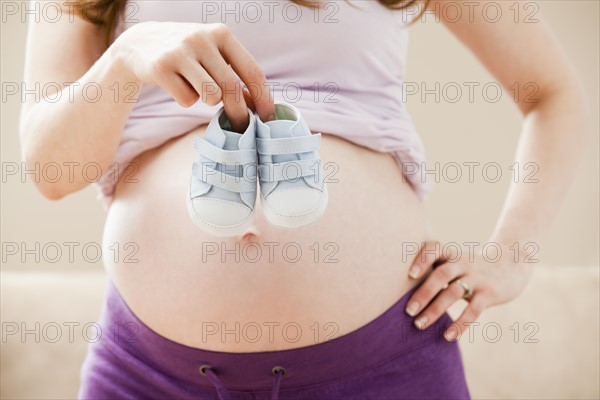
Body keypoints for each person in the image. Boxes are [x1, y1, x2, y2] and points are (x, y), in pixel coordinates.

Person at [20, 0, 587, 398]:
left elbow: (553, 93)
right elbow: (51, 170)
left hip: (383, 368)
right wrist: (126, 57)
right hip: (151, 376)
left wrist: (512, 254)